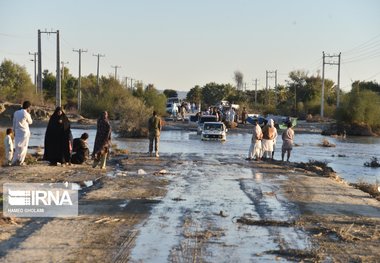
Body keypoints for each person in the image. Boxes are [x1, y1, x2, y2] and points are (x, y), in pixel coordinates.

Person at [12, 101, 33, 166]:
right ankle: (20, 161)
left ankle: (14, 161)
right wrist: (29, 114)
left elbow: (14, 123)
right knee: (24, 147)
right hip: (24, 132)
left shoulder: (16, 113)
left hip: (17, 131)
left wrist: (14, 131)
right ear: (28, 107)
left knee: (17, 147)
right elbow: (30, 122)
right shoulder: (26, 113)